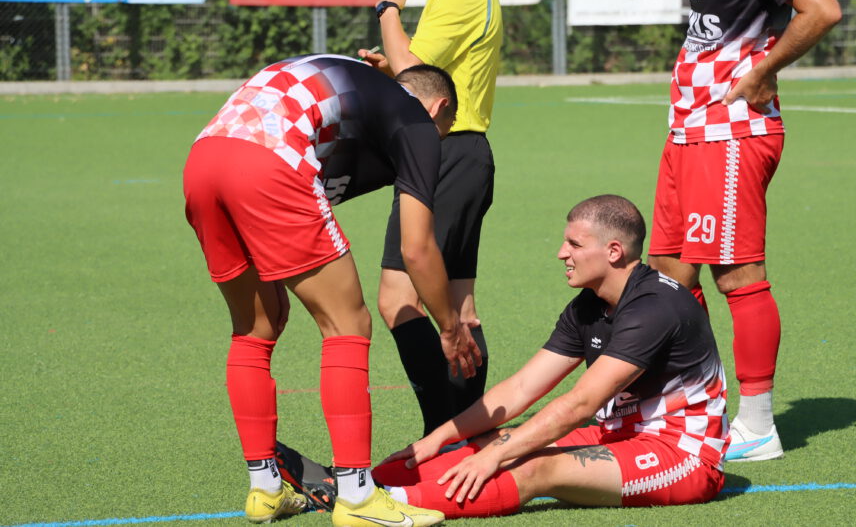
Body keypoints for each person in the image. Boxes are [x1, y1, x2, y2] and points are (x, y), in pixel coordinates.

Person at [276, 195, 729, 518]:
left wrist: (498, 455)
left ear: (614, 251)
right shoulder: (589, 305)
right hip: (617, 435)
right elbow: (521, 388)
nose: (561, 253)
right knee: (477, 446)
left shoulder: (654, 307)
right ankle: (357, 487)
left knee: (531, 464)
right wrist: (441, 438)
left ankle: (382, 505)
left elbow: (580, 404)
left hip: (683, 456)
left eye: (574, 244)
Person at [183, 56, 481, 526]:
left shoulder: (362, 90)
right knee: (348, 324)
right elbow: (417, 248)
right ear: (439, 108)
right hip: (270, 160)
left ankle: (266, 490)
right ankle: (358, 498)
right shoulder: (417, 121)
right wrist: (449, 326)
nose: (436, 147)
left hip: (203, 159)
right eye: (443, 133)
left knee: (256, 328)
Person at [649, 0, 843, 462]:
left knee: (736, 275)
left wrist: (763, 71)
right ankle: (693, 408)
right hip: (690, 130)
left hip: (730, 133)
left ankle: (758, 426)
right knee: (670, 273)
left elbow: (821, 9)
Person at [357, 0, 503, 437]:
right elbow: (420, 74)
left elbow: (415, 70)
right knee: (459, 307)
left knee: (398, 298)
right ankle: (464, 438)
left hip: (447, 153)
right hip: (458, 154)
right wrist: (392, 67)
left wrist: (387, 9)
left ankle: (443, 434)